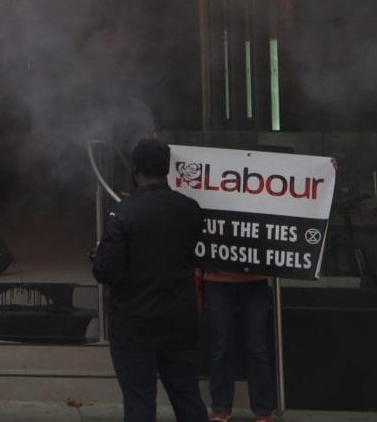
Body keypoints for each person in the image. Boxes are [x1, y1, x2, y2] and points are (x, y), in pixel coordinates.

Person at [92, 139, 208, 422]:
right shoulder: (190, 209)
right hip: (179, 322)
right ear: (167, 169)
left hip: (134, 325)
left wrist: (97, 257)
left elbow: (107, 272)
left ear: (135, 171)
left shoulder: (122, 213)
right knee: (188, 399)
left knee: (140, 404)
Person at [203, 269, 274, 422]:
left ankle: (262, 411)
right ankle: (221, 408)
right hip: (218, 280)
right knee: (221, 347)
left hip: (252, 280)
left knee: (255, 347)